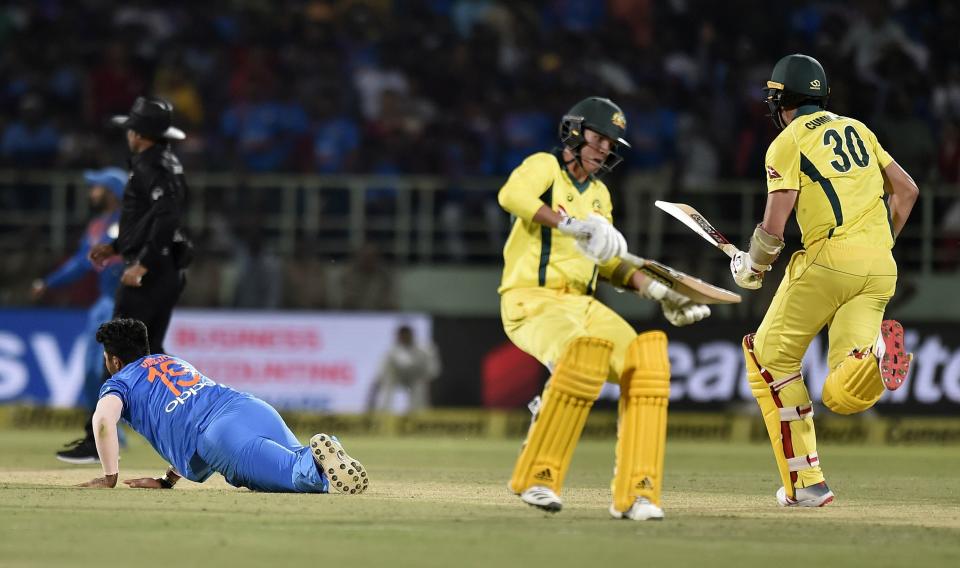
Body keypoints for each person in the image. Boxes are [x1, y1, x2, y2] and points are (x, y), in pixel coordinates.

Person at [497, 96, 711, 520]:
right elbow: (511, 195)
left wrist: (661, 293)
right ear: (575, 133)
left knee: (646, 364)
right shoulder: (545, 166)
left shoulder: (600, 195)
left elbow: (611, 264)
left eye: (610, 143)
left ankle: (638, 494)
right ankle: (539, 477)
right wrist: (571, 225)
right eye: (597, 138)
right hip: (530, 299)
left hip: (582, 303)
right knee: (581, 355)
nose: (603, 149)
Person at [730, 54, 919, 508]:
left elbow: (775, 225)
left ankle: (806, 484)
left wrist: (752, 267)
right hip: (880, 266)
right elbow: (907, 190)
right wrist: (877, 243)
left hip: (829, 260)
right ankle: (872, 361)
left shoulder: (787, 141)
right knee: (842, 386)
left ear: (782, 100)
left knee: (769, 360)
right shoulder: (859, 128)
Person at [77, 318, 368, 495]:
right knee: (299, 456)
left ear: (114, 360)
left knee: (297, 477)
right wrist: (167, 480)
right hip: (249, 407)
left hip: (221, 436)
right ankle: (328, 452)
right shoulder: (172, 362)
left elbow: (103, 420)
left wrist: (109, 476)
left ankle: (325, 474)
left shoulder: (120, 383)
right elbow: (185, 412)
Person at [33, 167, 127, 463]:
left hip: (122, 303)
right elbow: (82, 262)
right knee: (90, 372)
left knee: (109, 372)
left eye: (96, 187)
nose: (91, 192)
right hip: (103, 304)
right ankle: (106, 430)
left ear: (111, 191)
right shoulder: (98, 225)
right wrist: (50, 282)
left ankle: (111, 430)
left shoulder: (129, 223)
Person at [89, 95, 193, 356]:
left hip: (151, 271)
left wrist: (143, 263)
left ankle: (117, 399)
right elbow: (149, 217)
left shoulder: (152, 167)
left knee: (120, 350)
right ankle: (168, 398)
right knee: (149, 351)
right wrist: (116, 247)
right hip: (165, 265)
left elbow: (166, 216)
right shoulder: (166, 164)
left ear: (138, 135)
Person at [367, 325, 441, 413]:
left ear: (411, 335)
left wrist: (427, 380)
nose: (404, 338)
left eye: (406, 336)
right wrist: (371, 400)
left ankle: (418, 414)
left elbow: (434, 369)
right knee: (387, 380)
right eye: (401, 336)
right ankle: (383, 413)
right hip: (396, 377)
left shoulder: (425, 349)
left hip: (416, 377)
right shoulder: (392, 352)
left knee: (419, 384)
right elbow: (380, 374)